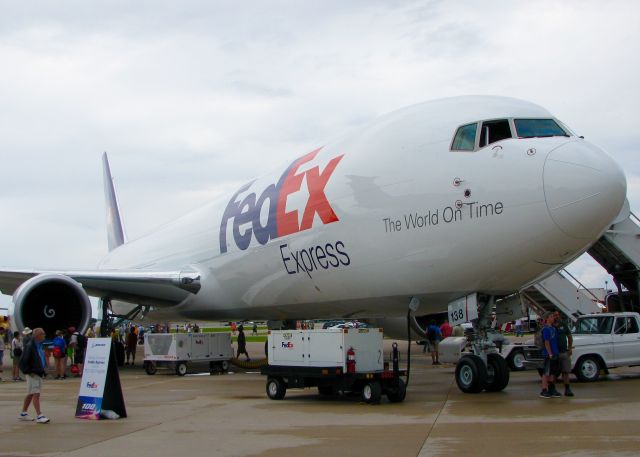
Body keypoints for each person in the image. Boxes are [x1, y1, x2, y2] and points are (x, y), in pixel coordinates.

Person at [19, 327, 50, 423]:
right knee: (36, 393)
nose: (44, 335)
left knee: (31, 393)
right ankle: (39, 415)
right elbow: (23, 361)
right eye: (43, 334)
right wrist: (28, 371)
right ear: (38, 335)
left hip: (38, 372)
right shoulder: (30, 346)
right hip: (33, 373)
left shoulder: (38, 345)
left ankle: (23, 413)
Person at [540, 312, 561, 398]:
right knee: (546, 372)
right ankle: (544, 389)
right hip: (549, 354)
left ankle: (552, 388)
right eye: (551, 316)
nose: (553, 318)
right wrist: (550, 353)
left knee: (553, 372)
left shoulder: (553, 329)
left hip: (555, 352)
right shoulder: (546, 329)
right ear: (547, 318)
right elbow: (546, 342)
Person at [554, 311, 574, 397]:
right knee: (554, 372)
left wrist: (569, 348)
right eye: (555, 315)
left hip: (564, 351)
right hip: (554, 353)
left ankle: (567, 389)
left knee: (565, 371)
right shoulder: (550, 326)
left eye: (557, 315)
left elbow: (569, 336)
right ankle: (553, 389)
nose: (556, 317)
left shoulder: (563, 325)